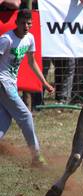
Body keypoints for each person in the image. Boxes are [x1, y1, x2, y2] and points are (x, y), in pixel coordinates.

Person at [0, 9, 54, 167]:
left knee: (5, 120)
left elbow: (32, 62)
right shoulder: (6, 39)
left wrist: (44, 82)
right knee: (26, 116)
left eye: (29, 23)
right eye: (23, 23)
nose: (26, 26)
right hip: (3, 83)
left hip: (10, 84)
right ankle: (36, 157)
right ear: (16, 22)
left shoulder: (30, 38)